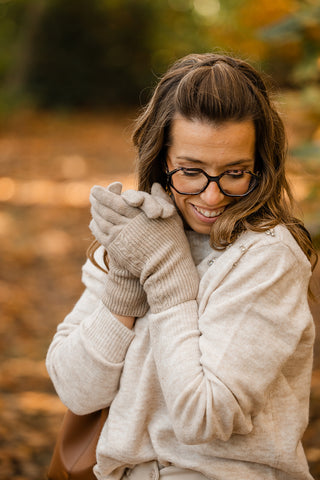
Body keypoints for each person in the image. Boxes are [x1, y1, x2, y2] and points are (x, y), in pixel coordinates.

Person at [46, 53, 317, 480]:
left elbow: (203, 416)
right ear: (161, 158)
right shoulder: (143, 234)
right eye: (191, 172)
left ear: (260, 165)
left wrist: (168, 276)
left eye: (235, 172)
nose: (212, 197)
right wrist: (123, 284)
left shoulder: (267, 257)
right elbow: (77, 392)